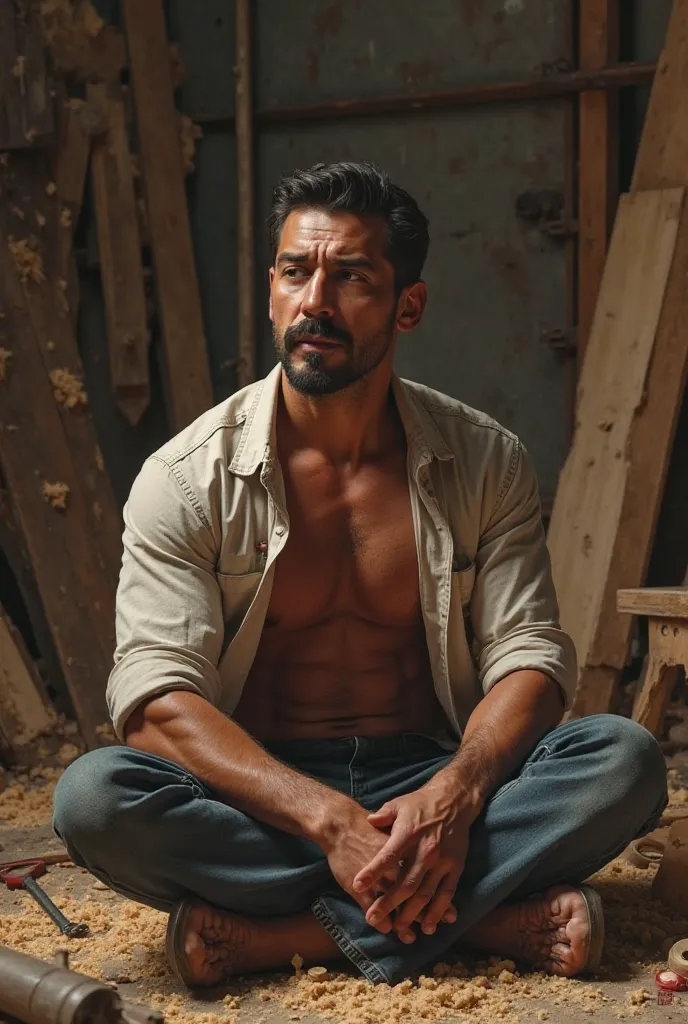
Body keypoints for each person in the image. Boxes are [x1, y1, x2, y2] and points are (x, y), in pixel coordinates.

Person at [53, 162, 667, 989]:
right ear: (271, 286)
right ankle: (483, 919)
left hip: (430, 774)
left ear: (407, 305)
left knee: (622, 761)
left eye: (351, 279)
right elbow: (157, 701)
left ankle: (284, 935)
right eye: (296, 272)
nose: (316, 303)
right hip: (264, 796)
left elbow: (529, 657)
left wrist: (455, 794)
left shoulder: (484, 460)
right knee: (95, 800)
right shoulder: (187, 476)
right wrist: (326, 819)